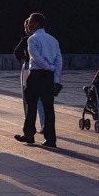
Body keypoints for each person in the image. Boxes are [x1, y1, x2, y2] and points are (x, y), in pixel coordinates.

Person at [14, 11, 62, 148]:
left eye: (30, 22)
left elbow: (35, 57)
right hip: (49, 77)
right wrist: (56, 78)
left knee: (31, 106)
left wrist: (47, 67)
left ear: (36, 23)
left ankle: (29, 135)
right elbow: (59, 60)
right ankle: (50, 138)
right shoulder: (53, 40)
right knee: (48, 108)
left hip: (36, 75)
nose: (28, 25)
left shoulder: (32, 39)